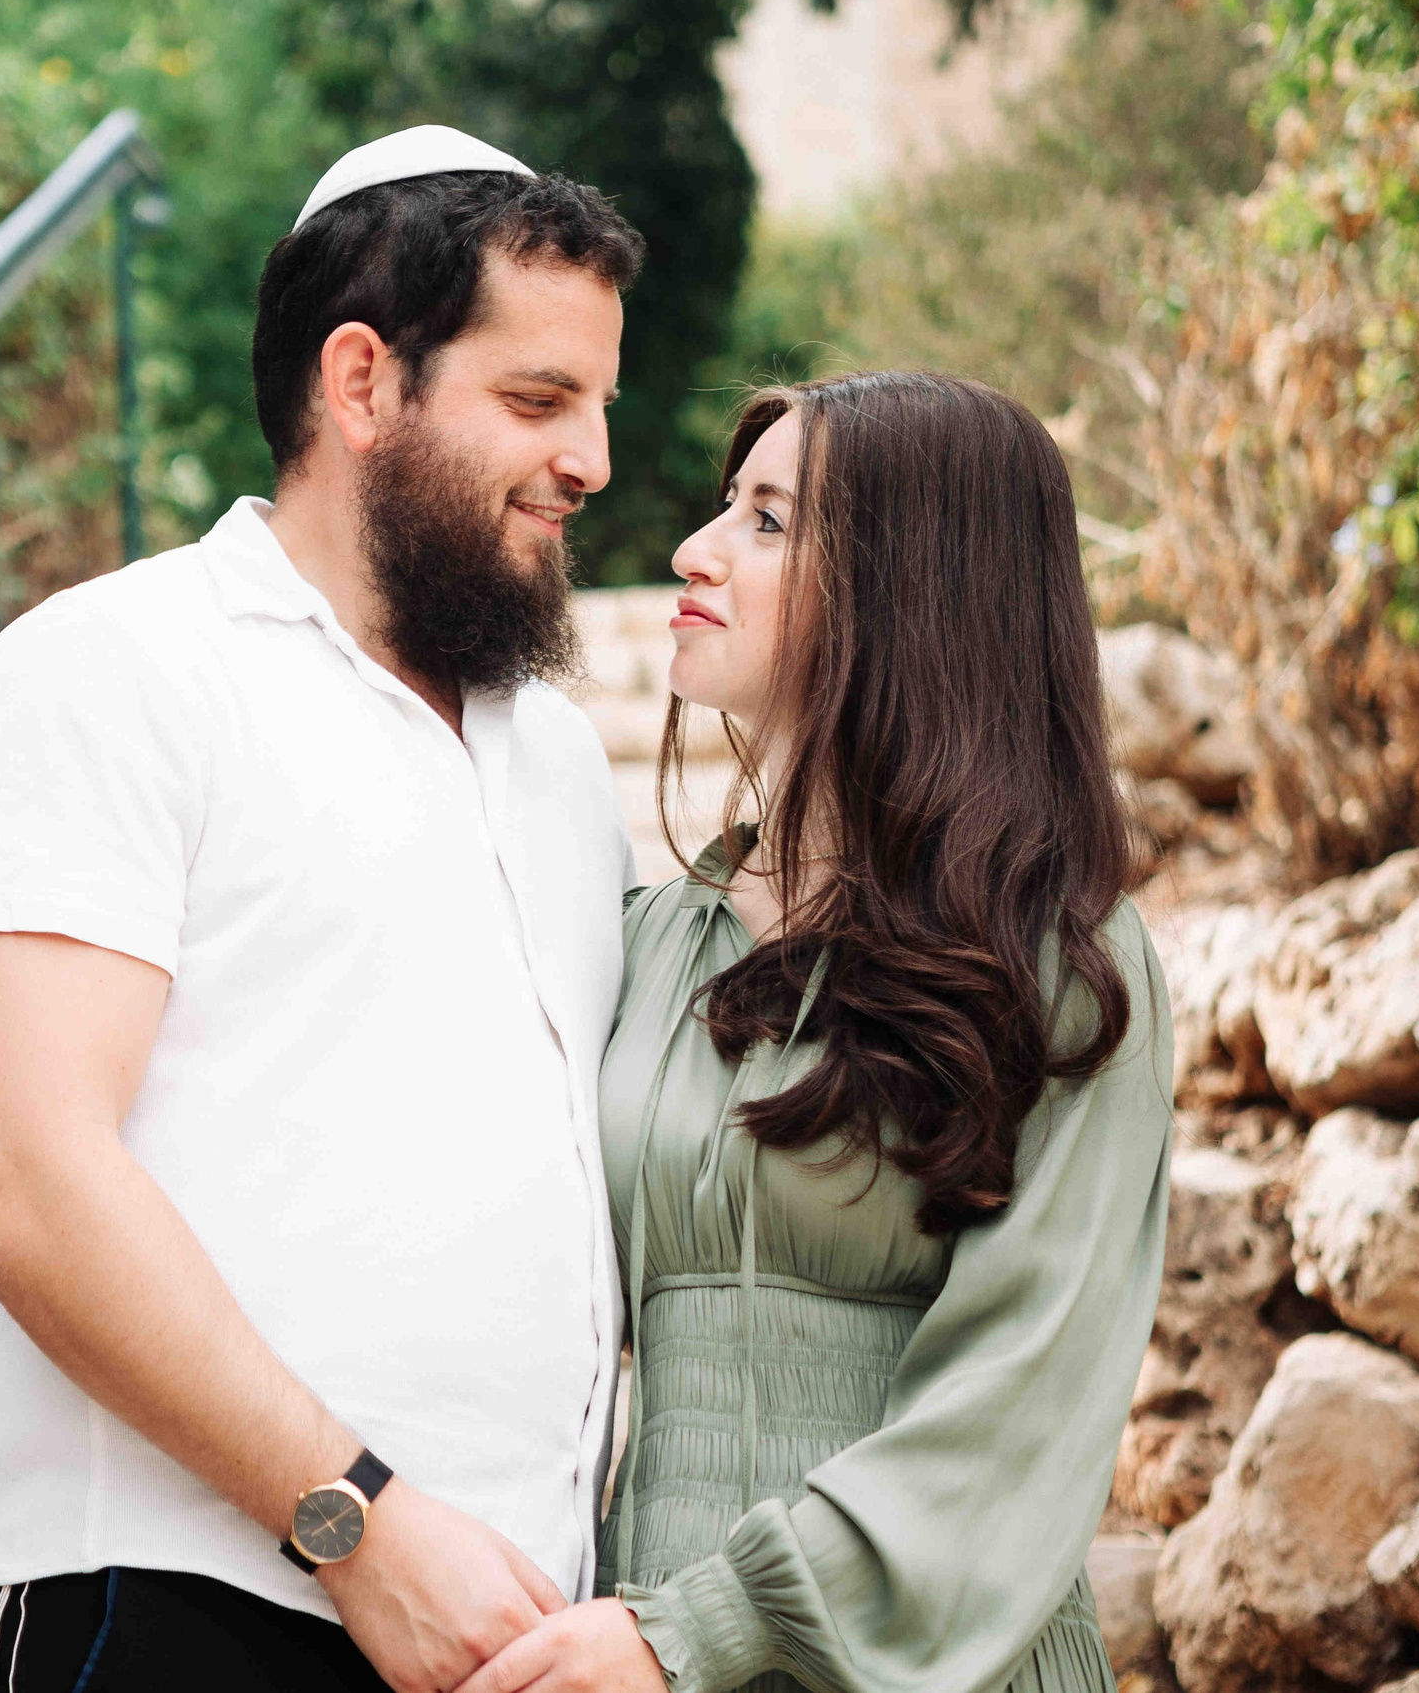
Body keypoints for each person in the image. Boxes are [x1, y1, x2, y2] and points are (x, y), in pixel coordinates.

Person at [0, 126, 647, 1692]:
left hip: (510, 1634)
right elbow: (19, 1172)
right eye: (537, 400)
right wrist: (359, 1526)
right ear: (362, 381)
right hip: (155, 1606)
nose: (591, 460)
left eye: (599, 408)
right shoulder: (113, 669)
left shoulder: (565, 762)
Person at [460, 372, 1176, 1693]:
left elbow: (1020, 1403)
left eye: (770, 521)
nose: (696, 547)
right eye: (727, 505)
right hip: (631, 1649)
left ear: (917, 586)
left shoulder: (1064, 955)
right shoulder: (654, 940)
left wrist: (696, 1631)